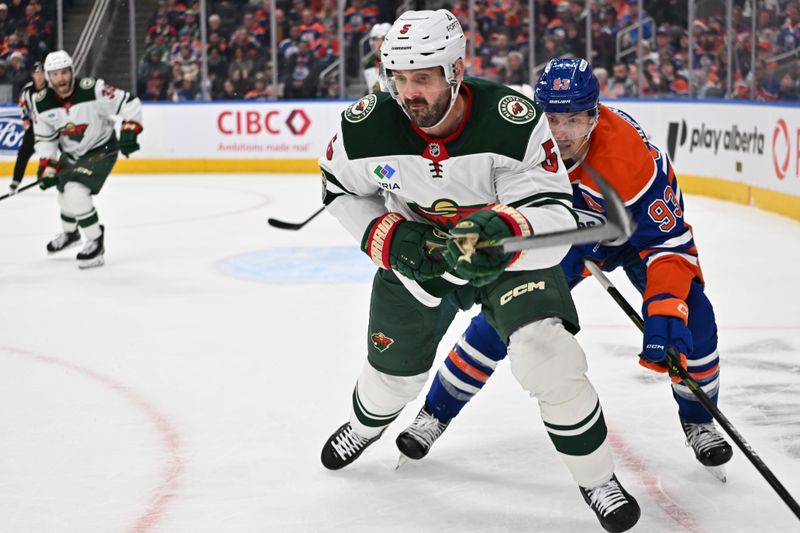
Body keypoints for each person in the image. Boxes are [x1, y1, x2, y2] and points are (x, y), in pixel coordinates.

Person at [318, 12, 640, 533]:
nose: (409, 94)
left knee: (549, 357)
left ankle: (597, 478)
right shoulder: (367, 123)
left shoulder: (512, 119)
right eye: (398, 78)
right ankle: (362, 424)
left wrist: (501, 232)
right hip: (419, 256)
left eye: (422, 77)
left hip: (501, 259)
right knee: (391, 383)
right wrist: (392, 238)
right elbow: (338, 187)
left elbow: (555, 213)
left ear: (456, 70)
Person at [397, 58, 734, 482]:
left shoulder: (628, 158)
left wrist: (665, 304)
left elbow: (666, 242)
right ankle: (435, 412)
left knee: (692, 318)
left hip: (633, 237)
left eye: (574, 119)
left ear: (595, 115)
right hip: (564, 237)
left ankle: (699, 419)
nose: (560, 133)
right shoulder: (518, 141)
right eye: (552, 117)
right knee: (505, 317)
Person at [32, 50, 143, 269]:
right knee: (64, 195)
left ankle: (95, 242)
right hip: (72, 152)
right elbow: (46, 139)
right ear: (48, 77)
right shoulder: (41, 102)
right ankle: (71, 234)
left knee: (75, 192)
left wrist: (130, 130)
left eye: (64, 72)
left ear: (72, 71)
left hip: (100, 149)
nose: (60, 79)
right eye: (54, 74)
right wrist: (48, 168)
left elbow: (128, 102)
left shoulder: (93, 89)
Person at [7, 61, 46, 196]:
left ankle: (46, 176)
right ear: (32, 75)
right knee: (23, 154)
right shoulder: (27, 90)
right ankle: (16, 181)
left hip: (51, 127)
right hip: (34, 127)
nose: (40, 76)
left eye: (42, 73)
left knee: (56, 151)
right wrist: (24, 119)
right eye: (37, 73)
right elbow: (22, 104)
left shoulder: (52, 88)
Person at [362, 22, 391, 93]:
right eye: (376, 39)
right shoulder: (368, 65)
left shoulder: (400, 63)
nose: (380, 43)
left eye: (383, 39)